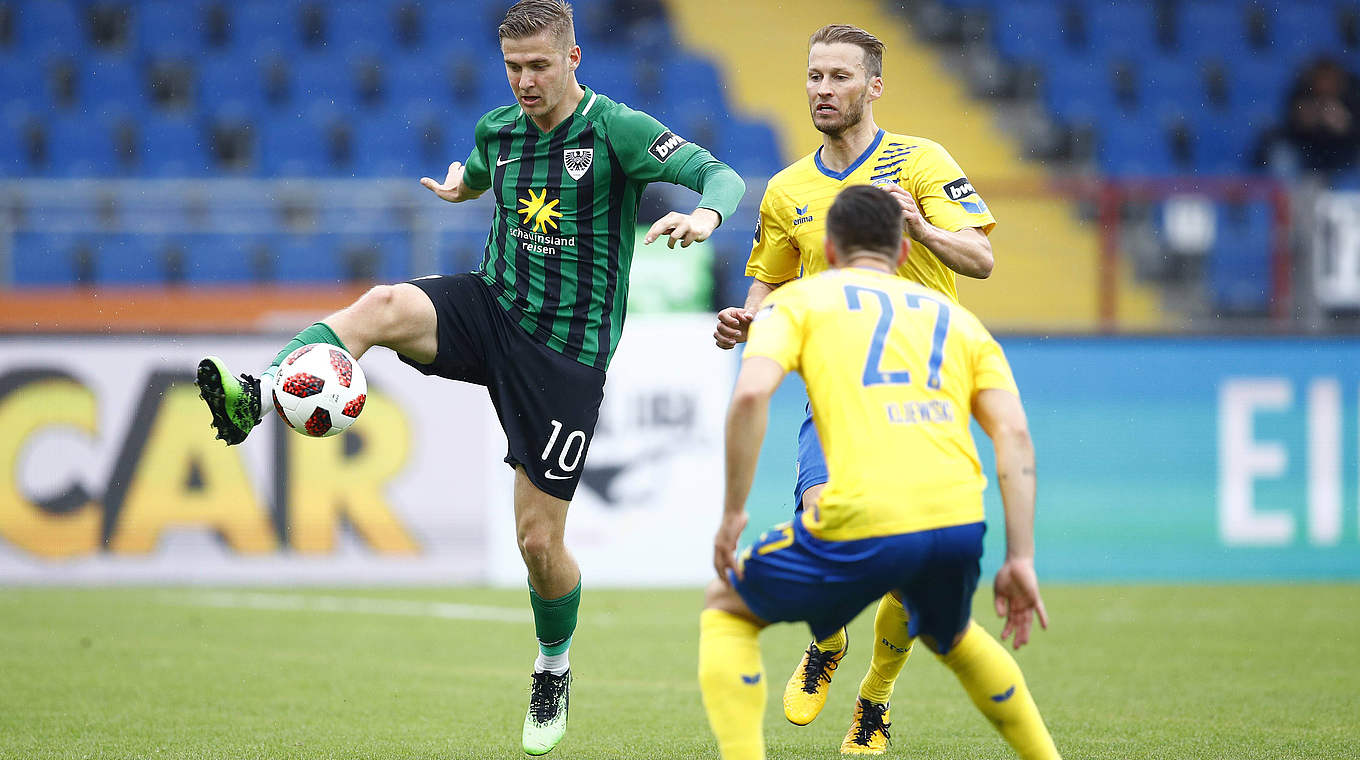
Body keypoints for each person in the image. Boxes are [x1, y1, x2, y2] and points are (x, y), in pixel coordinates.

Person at [194, 1, 745, 755]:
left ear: (573, 60)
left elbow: (720, 174)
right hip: (492, 308)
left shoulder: (615, 129)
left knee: (538, 543)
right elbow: (487, 171)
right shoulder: (499, 129)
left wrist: (707, 219)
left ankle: (553, 666)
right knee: (383, 305)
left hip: (565, 357)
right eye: (514, 67)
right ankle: (255, 396)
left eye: (539, 66)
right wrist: (464, 190)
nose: (525, 81)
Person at [711, 23, 996, 754]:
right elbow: (771, 279)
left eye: (840, 77)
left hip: (925, 395)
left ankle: (874, 700)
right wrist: (749, 317)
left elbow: (982, 258)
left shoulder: (922, 161)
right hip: (836, 391)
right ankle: (827, 641)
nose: (823, 90)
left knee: (907, 567)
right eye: (815, 76)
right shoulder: (788, 189)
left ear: (874, 86)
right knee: (822, 520)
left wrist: (924, 229)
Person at [699, 185, 1058, 760]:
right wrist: (1020, 558)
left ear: (832, 251)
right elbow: (1014, 435)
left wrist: (733, 512)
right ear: (905, 254)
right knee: (955, 636)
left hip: (866, 510)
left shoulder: (803, 301)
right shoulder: (960, 323)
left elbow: (748, 400)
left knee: (726, 609)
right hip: (958, 523)